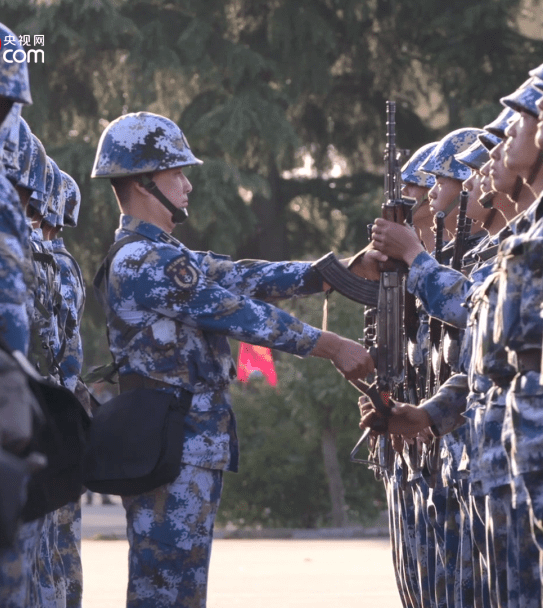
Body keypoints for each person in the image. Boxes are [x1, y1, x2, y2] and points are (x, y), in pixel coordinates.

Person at [91, 111, 373, 607]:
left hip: (185, 441)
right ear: (141, 182)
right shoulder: (142, 260)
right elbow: (236, 312)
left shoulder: (166, 255)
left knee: (182, 590)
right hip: (170, 442)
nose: (188, 183)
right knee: (165, 593)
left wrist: (334, 271)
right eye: (175, 172)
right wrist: (330, 345)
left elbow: (242, 276)